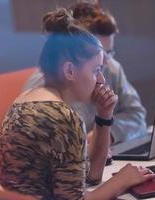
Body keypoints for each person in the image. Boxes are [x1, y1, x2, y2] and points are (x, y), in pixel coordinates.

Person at [0, 8, 155, 200]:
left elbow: (91, 176)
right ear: (70, 71)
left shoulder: (26, 100)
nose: (101, 81)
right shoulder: (61, 117)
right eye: (96, 70)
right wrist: (121, 180)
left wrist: (104, 117)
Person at [23, 2, 147, 145]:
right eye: (98, 53)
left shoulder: (112, 68)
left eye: (109, 52)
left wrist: (107, 135)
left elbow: (136, 116)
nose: (106, 62)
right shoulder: (44, 86)